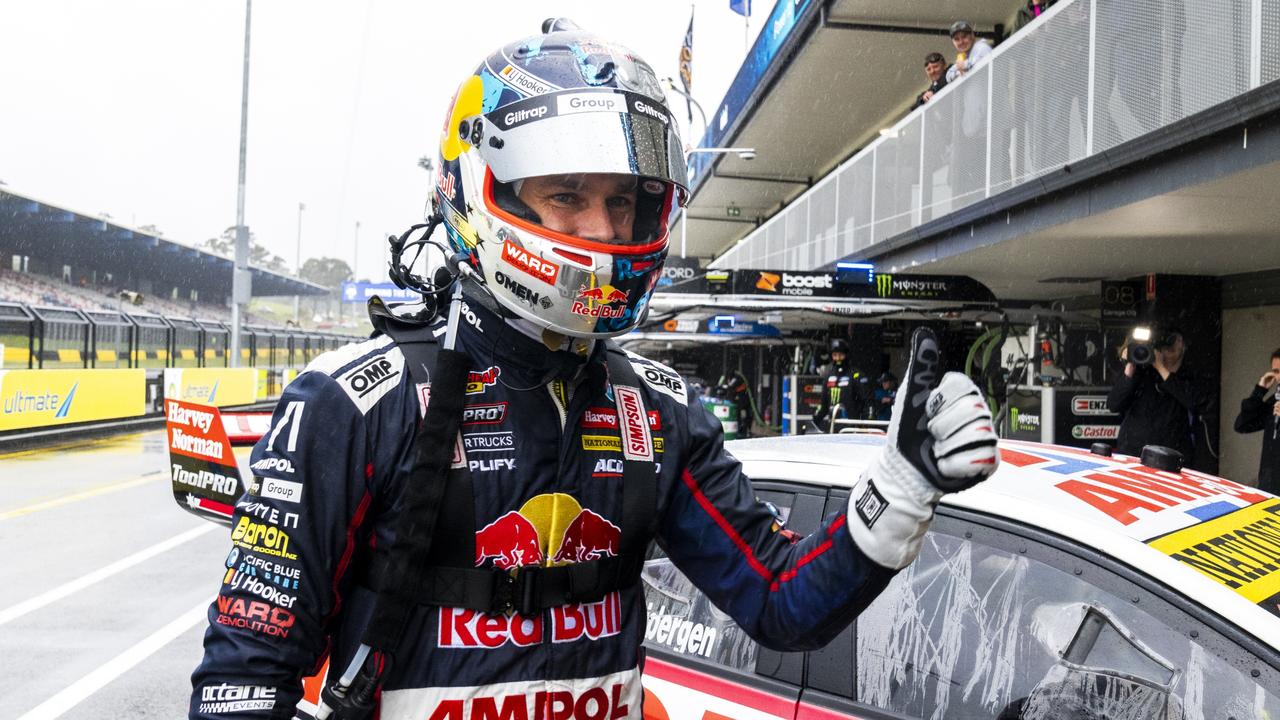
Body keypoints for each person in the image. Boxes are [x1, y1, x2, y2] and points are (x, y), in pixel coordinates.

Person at [189, 21, 1001, 720]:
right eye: (568, 195)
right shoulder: (355, 404)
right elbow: (240, 683)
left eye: (625, 203)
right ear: (480, 191)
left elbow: (780, 603)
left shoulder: (662, 411)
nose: (604, 230)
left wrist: (898, 490)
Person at [1107, 329, 1208, 462]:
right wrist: (1130, 367)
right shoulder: (1142, 371)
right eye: (1164, 343)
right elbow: (1114, 405)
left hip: (1172, 454)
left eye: (1174, 340)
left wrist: (1161, 368)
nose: (1169, 347)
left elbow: (1194, 402)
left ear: (1182, 344)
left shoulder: (1189, 374)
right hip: (1135, 451)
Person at [1233, 348, 1280, 494]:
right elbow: (1242, 425)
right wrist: (1259, 391)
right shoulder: (1275, 401)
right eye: (1277, 372)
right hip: (1270, 486)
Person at [813, 338, 869, 431]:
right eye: (835, 355)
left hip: (852, 426)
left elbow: (867, 401)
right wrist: (815, 420)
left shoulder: (856, 375)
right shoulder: (828, 376)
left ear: (846, 355)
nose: (838, 358)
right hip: (833, 425)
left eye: (840, 355)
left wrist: (866, 421)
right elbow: (824, 405)